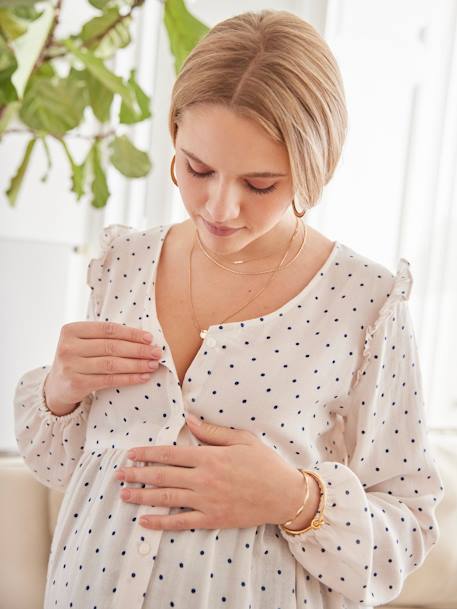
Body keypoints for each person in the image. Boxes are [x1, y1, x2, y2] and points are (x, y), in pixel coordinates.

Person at [14, 9, 444, 609]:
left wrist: (297, 500)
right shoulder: (123, 262)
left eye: (260, 184)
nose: (220, 206)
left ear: (314, 169)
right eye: (197, 169)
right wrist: (58, 390)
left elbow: (408, 529)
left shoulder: (364, 302)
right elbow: (63, 468)